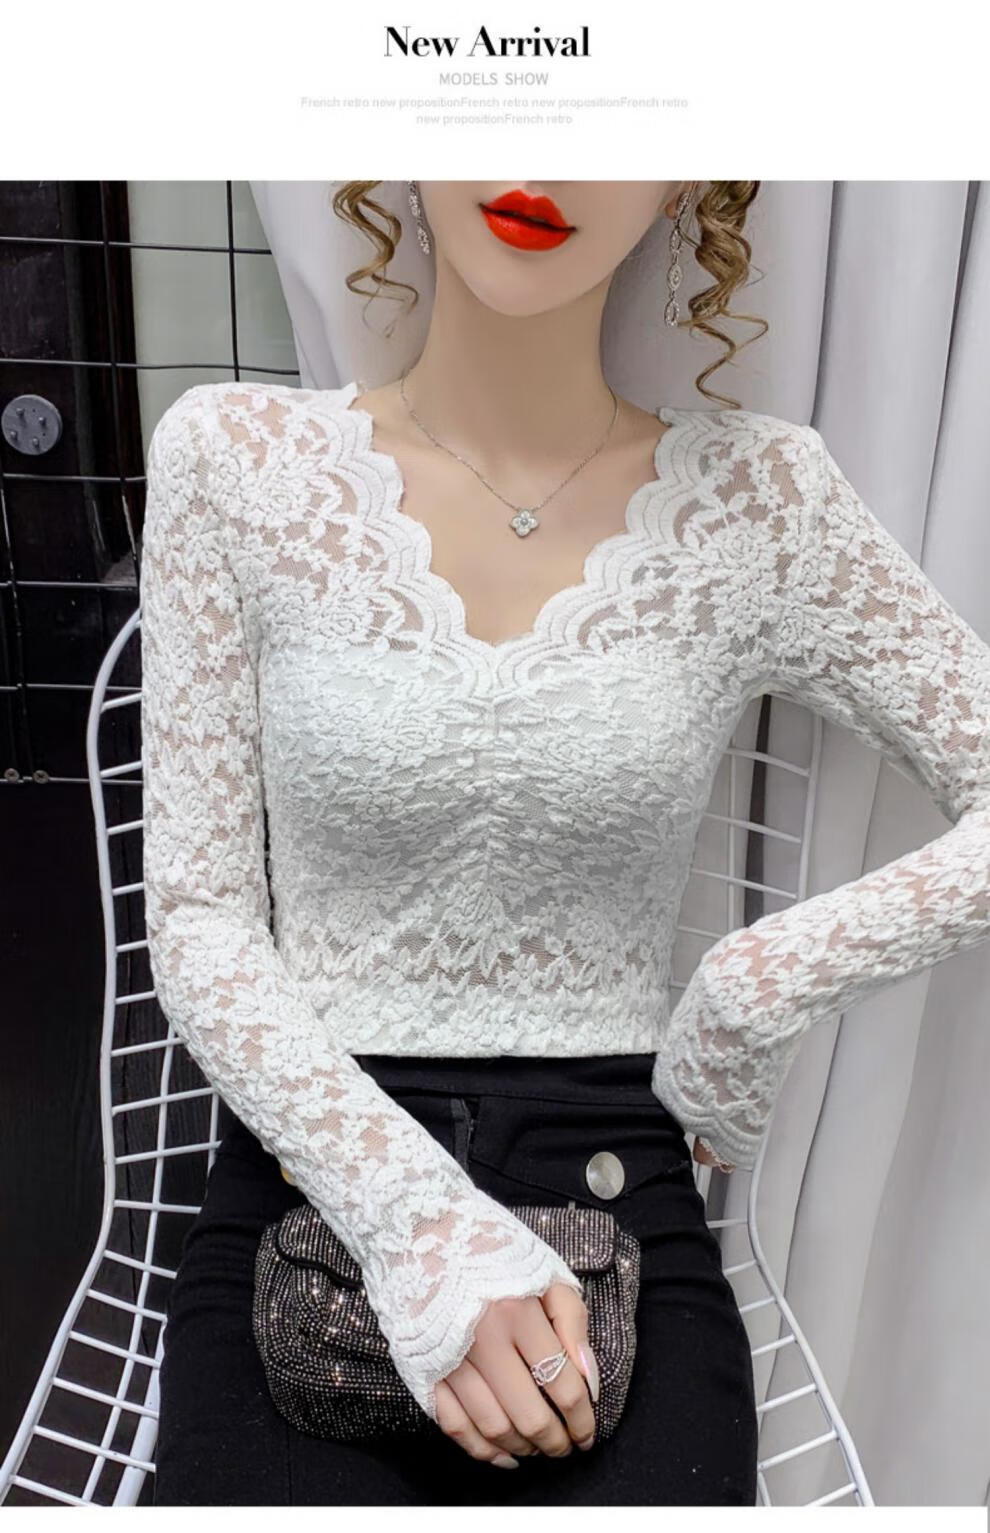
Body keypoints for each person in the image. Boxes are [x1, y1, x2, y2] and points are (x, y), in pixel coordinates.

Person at [140, 181, 990, 1505]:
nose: (541, 153)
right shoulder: (235, 459)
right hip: (313, 1179)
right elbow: (198, 912)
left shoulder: (760, 498)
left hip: (619, 1192)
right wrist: (420, 1229)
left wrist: (752, 986)